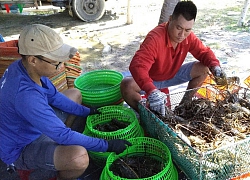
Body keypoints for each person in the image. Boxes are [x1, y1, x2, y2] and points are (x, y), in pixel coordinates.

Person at [0, 24, 131, 180]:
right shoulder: (26, 96)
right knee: (79, 157)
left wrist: (87, 111)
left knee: (74, 94)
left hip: (33, 124)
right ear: (33, 60)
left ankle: (59, 140)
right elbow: (62, 134)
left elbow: (55, 97)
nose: (61, 65)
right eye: (56, 62)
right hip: (21, 148)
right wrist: (108, 145)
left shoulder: (23, 68)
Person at [120, 0, 226, 116]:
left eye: (187, 30)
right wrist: (151, 90)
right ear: (170, 19)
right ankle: (148, 115)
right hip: (152, 79)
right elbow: (137, 66)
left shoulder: (188, 37)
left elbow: (204, 52)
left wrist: (215, 66)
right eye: (178, 28)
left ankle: (184, 104)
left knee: (205, 67)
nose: (182, 35)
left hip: (172, 75)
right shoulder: (155, 38)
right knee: (126, 85)